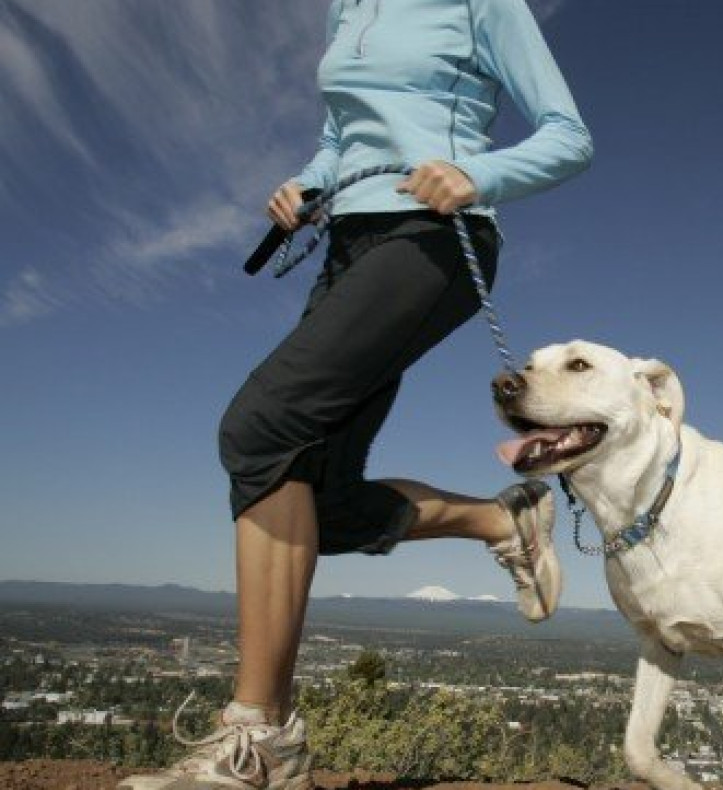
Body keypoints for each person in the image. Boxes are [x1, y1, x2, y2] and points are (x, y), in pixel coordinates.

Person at [120, 1, 592, 788]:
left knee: (261, 430)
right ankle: (500, 519)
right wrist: (308, 183)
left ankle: (261, 738)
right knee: (320, 504)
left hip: (434, 239)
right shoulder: (348, 6)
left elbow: (567, 135)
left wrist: (480, 172)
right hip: (349, 241)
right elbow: (345, 135)